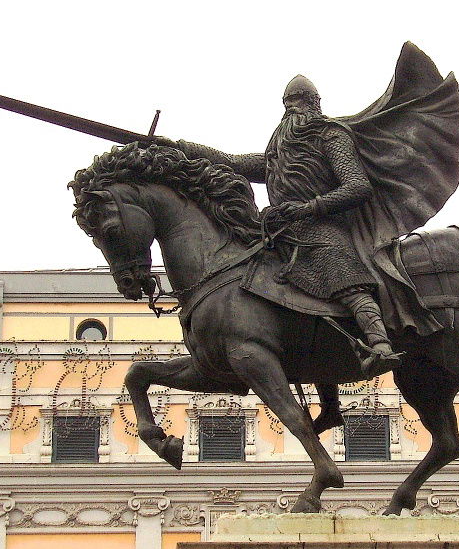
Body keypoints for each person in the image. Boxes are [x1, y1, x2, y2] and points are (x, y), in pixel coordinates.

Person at [161, 75, 400, 378]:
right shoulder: (280, 150)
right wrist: (180, 148)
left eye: (298, 102)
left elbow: (357, 186)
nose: (293, 110)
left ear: (314, 103)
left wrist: (308, 207)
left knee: (341, 274)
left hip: (324, 226)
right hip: (280, 232)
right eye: (288, 104)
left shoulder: (330, 136)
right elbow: (234, 162)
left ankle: (380, 344)